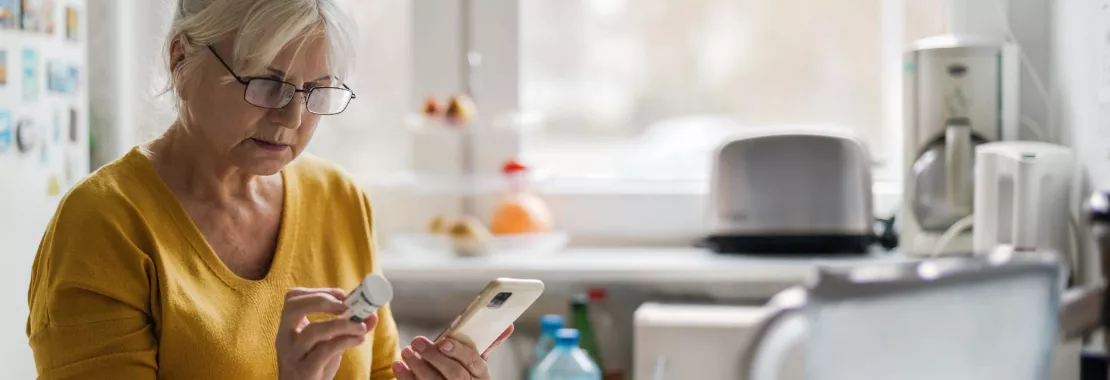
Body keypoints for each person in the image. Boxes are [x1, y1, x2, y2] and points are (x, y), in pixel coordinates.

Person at [25, 1, 509, 379]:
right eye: (265, 84)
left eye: (316, 91)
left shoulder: (339, 198)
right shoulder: (104, 223)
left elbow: (376, 372)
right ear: (179, 60)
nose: (292, 118)